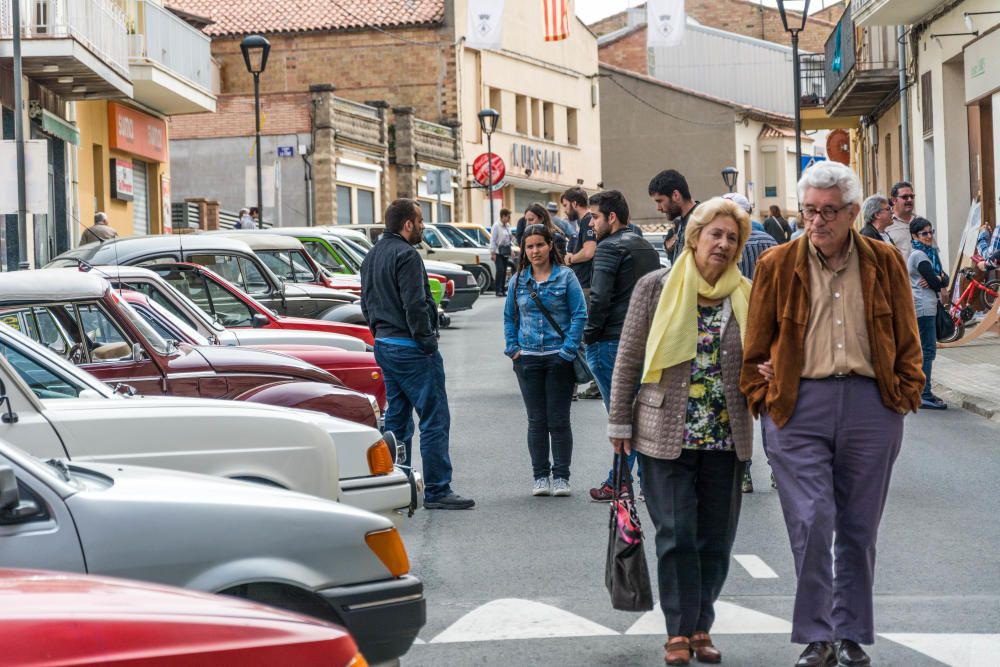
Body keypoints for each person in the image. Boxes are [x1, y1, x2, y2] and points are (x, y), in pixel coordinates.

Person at [740, 162, 923, 667]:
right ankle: (817, 635)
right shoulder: (777, 264)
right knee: (814, 519)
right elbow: (755, 344)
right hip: (798, 407)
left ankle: (851, 634)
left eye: (828, 212)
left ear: (849, 213)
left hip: (871, 403)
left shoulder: (884, 261)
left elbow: (908, 337)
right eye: (809, 211)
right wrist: (764, 400)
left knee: (860, 528)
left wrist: (906, 394)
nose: (817, 222)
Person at [608, 196, 753, 666]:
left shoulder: (746, 293)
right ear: (695, 237)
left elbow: (763, 358)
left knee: (715, 538)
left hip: (726, 436)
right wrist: (619, 420)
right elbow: (629, 356)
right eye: (716, 234)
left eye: (733, 238)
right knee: (676, 533)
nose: (724, 244)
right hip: (662, 433)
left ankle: (701, 625)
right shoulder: (656, 287)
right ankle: (677, 630)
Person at [359, 198, 475, 510]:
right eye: (421, 221)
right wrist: (427, 343)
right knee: (434, 418)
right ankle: (438, 489)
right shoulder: (406, 255)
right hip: (411, 349)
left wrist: (379, 333)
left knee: (397, 419)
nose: (423, 227)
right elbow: (416, 304)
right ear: (408, 224)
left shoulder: (371, 256)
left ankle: (397, 482)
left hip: (385, 345)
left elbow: (366, 303)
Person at [582, 190, 660, 503]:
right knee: (638, 414)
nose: (591, 223)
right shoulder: (645, 247)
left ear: (612, 217)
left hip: (610, 340)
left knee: (621, 416)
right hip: (644, 338)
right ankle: (646, 482)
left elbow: (599, 298)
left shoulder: (608, 248)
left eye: (596, 217)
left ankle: (620, 481)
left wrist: (589, 334)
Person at [503, 223, 587, 497]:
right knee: (536, 420)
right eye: (529, 247)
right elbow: (509, 316)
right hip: (527, 358)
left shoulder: (566, 277)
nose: (535, 251)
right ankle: (540, 476)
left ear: (550, 245)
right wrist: (513, 348)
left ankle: (561, 476)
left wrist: (568, 350)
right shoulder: (518, 281)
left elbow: (579, 315)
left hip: (558, 357)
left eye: (540, 245)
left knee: (559, 420)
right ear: (524, 251)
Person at [724, 192, 776, 495]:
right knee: (769, 402)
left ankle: (742, 472)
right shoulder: (772, 244)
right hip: (769, 334)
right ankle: (776, 468)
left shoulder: (726, 246)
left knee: (735, 405)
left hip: (735, 333)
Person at [908, 217, 949, 410]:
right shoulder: (919, 255)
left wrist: (938, 277)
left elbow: (943, 279)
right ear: (915, 236)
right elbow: (935, 283)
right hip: (923, 307)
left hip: (927, 305)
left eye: (931, 231)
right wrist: (938, 279)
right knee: (928, 350)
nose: (929, 236)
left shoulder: (930, 253)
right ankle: (923, 394)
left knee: (926, 350)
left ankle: (924, 391)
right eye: (924, 233)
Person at [648, 169, 698, 264]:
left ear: (676, 195)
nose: (658, 208)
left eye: (660, 201)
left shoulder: (703, 222)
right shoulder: (682, 222)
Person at [561, 187, 598, 298]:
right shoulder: (584, 221)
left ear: (575, 203)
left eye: (565, 205)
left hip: (586, 286)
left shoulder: (588, 220)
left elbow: (588, 252)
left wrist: (571, 258)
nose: (565, 210)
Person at [885, 181, 916, 257]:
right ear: (894, 200)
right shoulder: (886, 225)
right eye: (905, 197)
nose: (909, 200)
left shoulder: (920, 222)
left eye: (912, 196)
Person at [491, 208, 514, 297]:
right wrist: (492, 252)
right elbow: (492, 239)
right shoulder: (496, 226)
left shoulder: (507, 226)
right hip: (498, 251)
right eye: (508, 217)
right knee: (500, 270)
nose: (509, 219)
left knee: (504, 270)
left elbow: (509, 240)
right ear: (503, 216)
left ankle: (503, 289)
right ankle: (498, 290)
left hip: (506, 250)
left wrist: (511, 249)